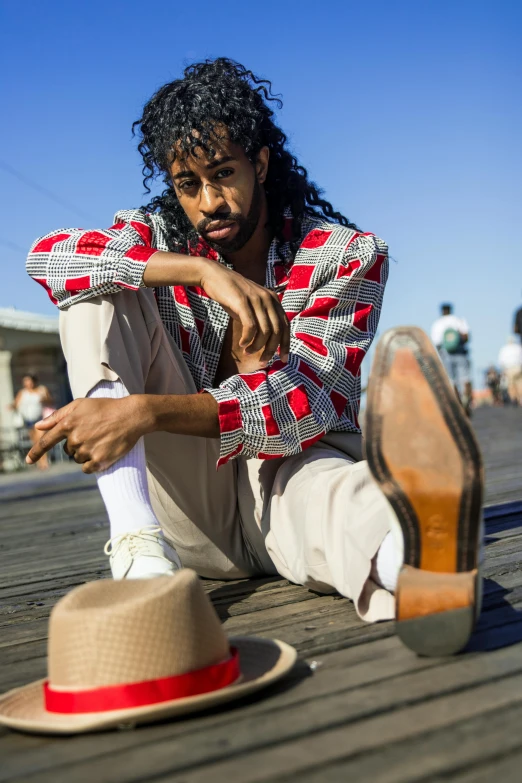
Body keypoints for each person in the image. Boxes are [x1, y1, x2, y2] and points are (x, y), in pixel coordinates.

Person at [24, 59, 483, 657]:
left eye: (225, 173)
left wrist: (141, 412)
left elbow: (307, 407)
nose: (210, 200)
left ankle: (419, 567)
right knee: (96, 287)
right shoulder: (157, 237)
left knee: (344, 503)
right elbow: (49, 258)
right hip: (187, 510)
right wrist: (198, 271)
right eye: (188, 185)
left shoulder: (343, 255)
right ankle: (136, 544)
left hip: (289, 478)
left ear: (260, 164)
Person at [431, 303, 473, 415]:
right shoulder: (458, 320)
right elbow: (466, 337)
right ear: (451, 310)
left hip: (446, 354)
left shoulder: (437, 324)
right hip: (460, 352)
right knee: (466, 378)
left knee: (451, 381)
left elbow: (437, 343)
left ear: (442, 311)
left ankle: (458, 405)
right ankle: (466, 401)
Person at [12, 374, 53, 470]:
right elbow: (16, 403)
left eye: (28, 381)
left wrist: (45, 399)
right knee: (34, 442)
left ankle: (44, 461)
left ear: (33, 381)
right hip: (28, 420)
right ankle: (39, 462)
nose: (27, 383)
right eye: (25, 381)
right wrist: (12, 407)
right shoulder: (22, 393)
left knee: (41, 440)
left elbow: (50, 400)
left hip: (39, 418)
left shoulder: (41, 390)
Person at [498, 336, 522, 405]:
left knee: (511, 384)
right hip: (518, 367)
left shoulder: (504, 349)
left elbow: (501, 361)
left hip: (509, 369)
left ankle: (514, 398)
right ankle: (520, 398)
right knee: (519, 383)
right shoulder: (518, 348)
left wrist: (503, 370)